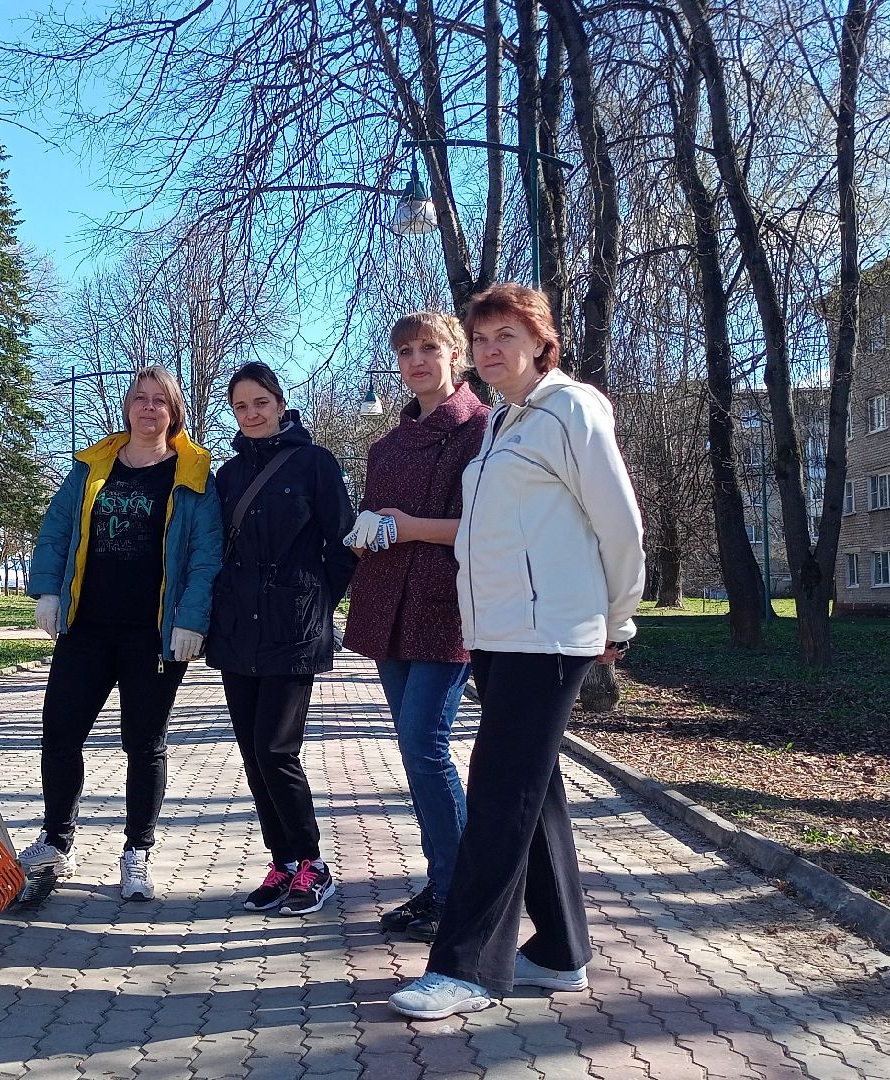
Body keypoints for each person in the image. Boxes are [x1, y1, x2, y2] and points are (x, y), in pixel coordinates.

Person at [389, 283, 645, 1020]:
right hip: (498, 635)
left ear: (540, 341)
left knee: (499, 791)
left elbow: (618, 523)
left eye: (506, 335)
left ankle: (468, 967)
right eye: (482, 338)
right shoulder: (502, 419)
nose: (491, 349)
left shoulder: (571, 408)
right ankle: (560, 952)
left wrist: (617, 621)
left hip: (552, 634)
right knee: (535, 794)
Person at [22, 365, 224, 903]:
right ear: (128, 406)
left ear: (173, 412)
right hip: (86, 628)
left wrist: (192, 619)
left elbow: (207, 555)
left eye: (160, 400)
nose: (149, 408)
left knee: (144, 743)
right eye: (141, 398)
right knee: (60, 733)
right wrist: (46, 590)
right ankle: (56, 840)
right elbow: (57, 529)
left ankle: (137, 852)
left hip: (153, 636)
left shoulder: (194, 473)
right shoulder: (92, 466)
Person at [343, 311, 490, 942]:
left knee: (426, 747)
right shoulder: (386, 447)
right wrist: (365, 533)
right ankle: (443, 884)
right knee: (414, 750)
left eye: (430, 348)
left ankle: (461, 891)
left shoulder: (485, 430)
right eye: (405, 352)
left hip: (445, 609)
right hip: (386, 607)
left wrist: (407, 526)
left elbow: (488, 528)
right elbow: (383, 523)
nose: (416, 361)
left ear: (457, 354)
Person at [209, 361, 356, 916]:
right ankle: (284, 862)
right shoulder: (226, 476)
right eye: (241, 407)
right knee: (252, 753)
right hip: (237, 632)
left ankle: (313, 863)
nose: (251, 415)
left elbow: (344, 544)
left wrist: (317, 600)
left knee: (276, 747)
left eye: (260, 404)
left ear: (279, 403)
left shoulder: (314, 464)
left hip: (293, 629)